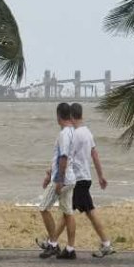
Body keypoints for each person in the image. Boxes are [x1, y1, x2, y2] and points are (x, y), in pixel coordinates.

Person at [37, 102, 115, 257]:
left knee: (70, 213)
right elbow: (95, 155)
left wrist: (51, 174)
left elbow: (64, 157)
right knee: (73, 212)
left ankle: (55, 244)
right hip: (84, 177)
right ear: (82, 115)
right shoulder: (87, 133)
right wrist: (100, 176)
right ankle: (55, 243)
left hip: (76, 178)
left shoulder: (74, 134)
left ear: (71, 116)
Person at [38, 102, 77, 259]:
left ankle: (53, 244)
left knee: (43, 208)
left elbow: (63, 157)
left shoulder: (64, 134)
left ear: (58, 115)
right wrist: (49, 172)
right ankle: (70, 248)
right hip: (70, 178)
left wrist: (58, 179)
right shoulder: (73, 132)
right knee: (68, 213)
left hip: (62, 178)